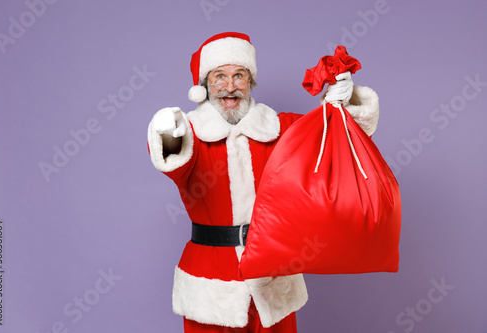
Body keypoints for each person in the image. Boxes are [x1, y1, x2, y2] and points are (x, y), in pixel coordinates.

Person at [147, 32, 379, 332]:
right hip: (211, 283)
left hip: (274, 276)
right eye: (220, 76)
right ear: (204, 85)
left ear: (250, 81)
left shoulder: (279, 128)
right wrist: (166, 131)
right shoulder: (191, 133)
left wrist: (345, 103)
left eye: (239, 75)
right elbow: (171, 157)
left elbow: (337, 140)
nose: (230, 87)